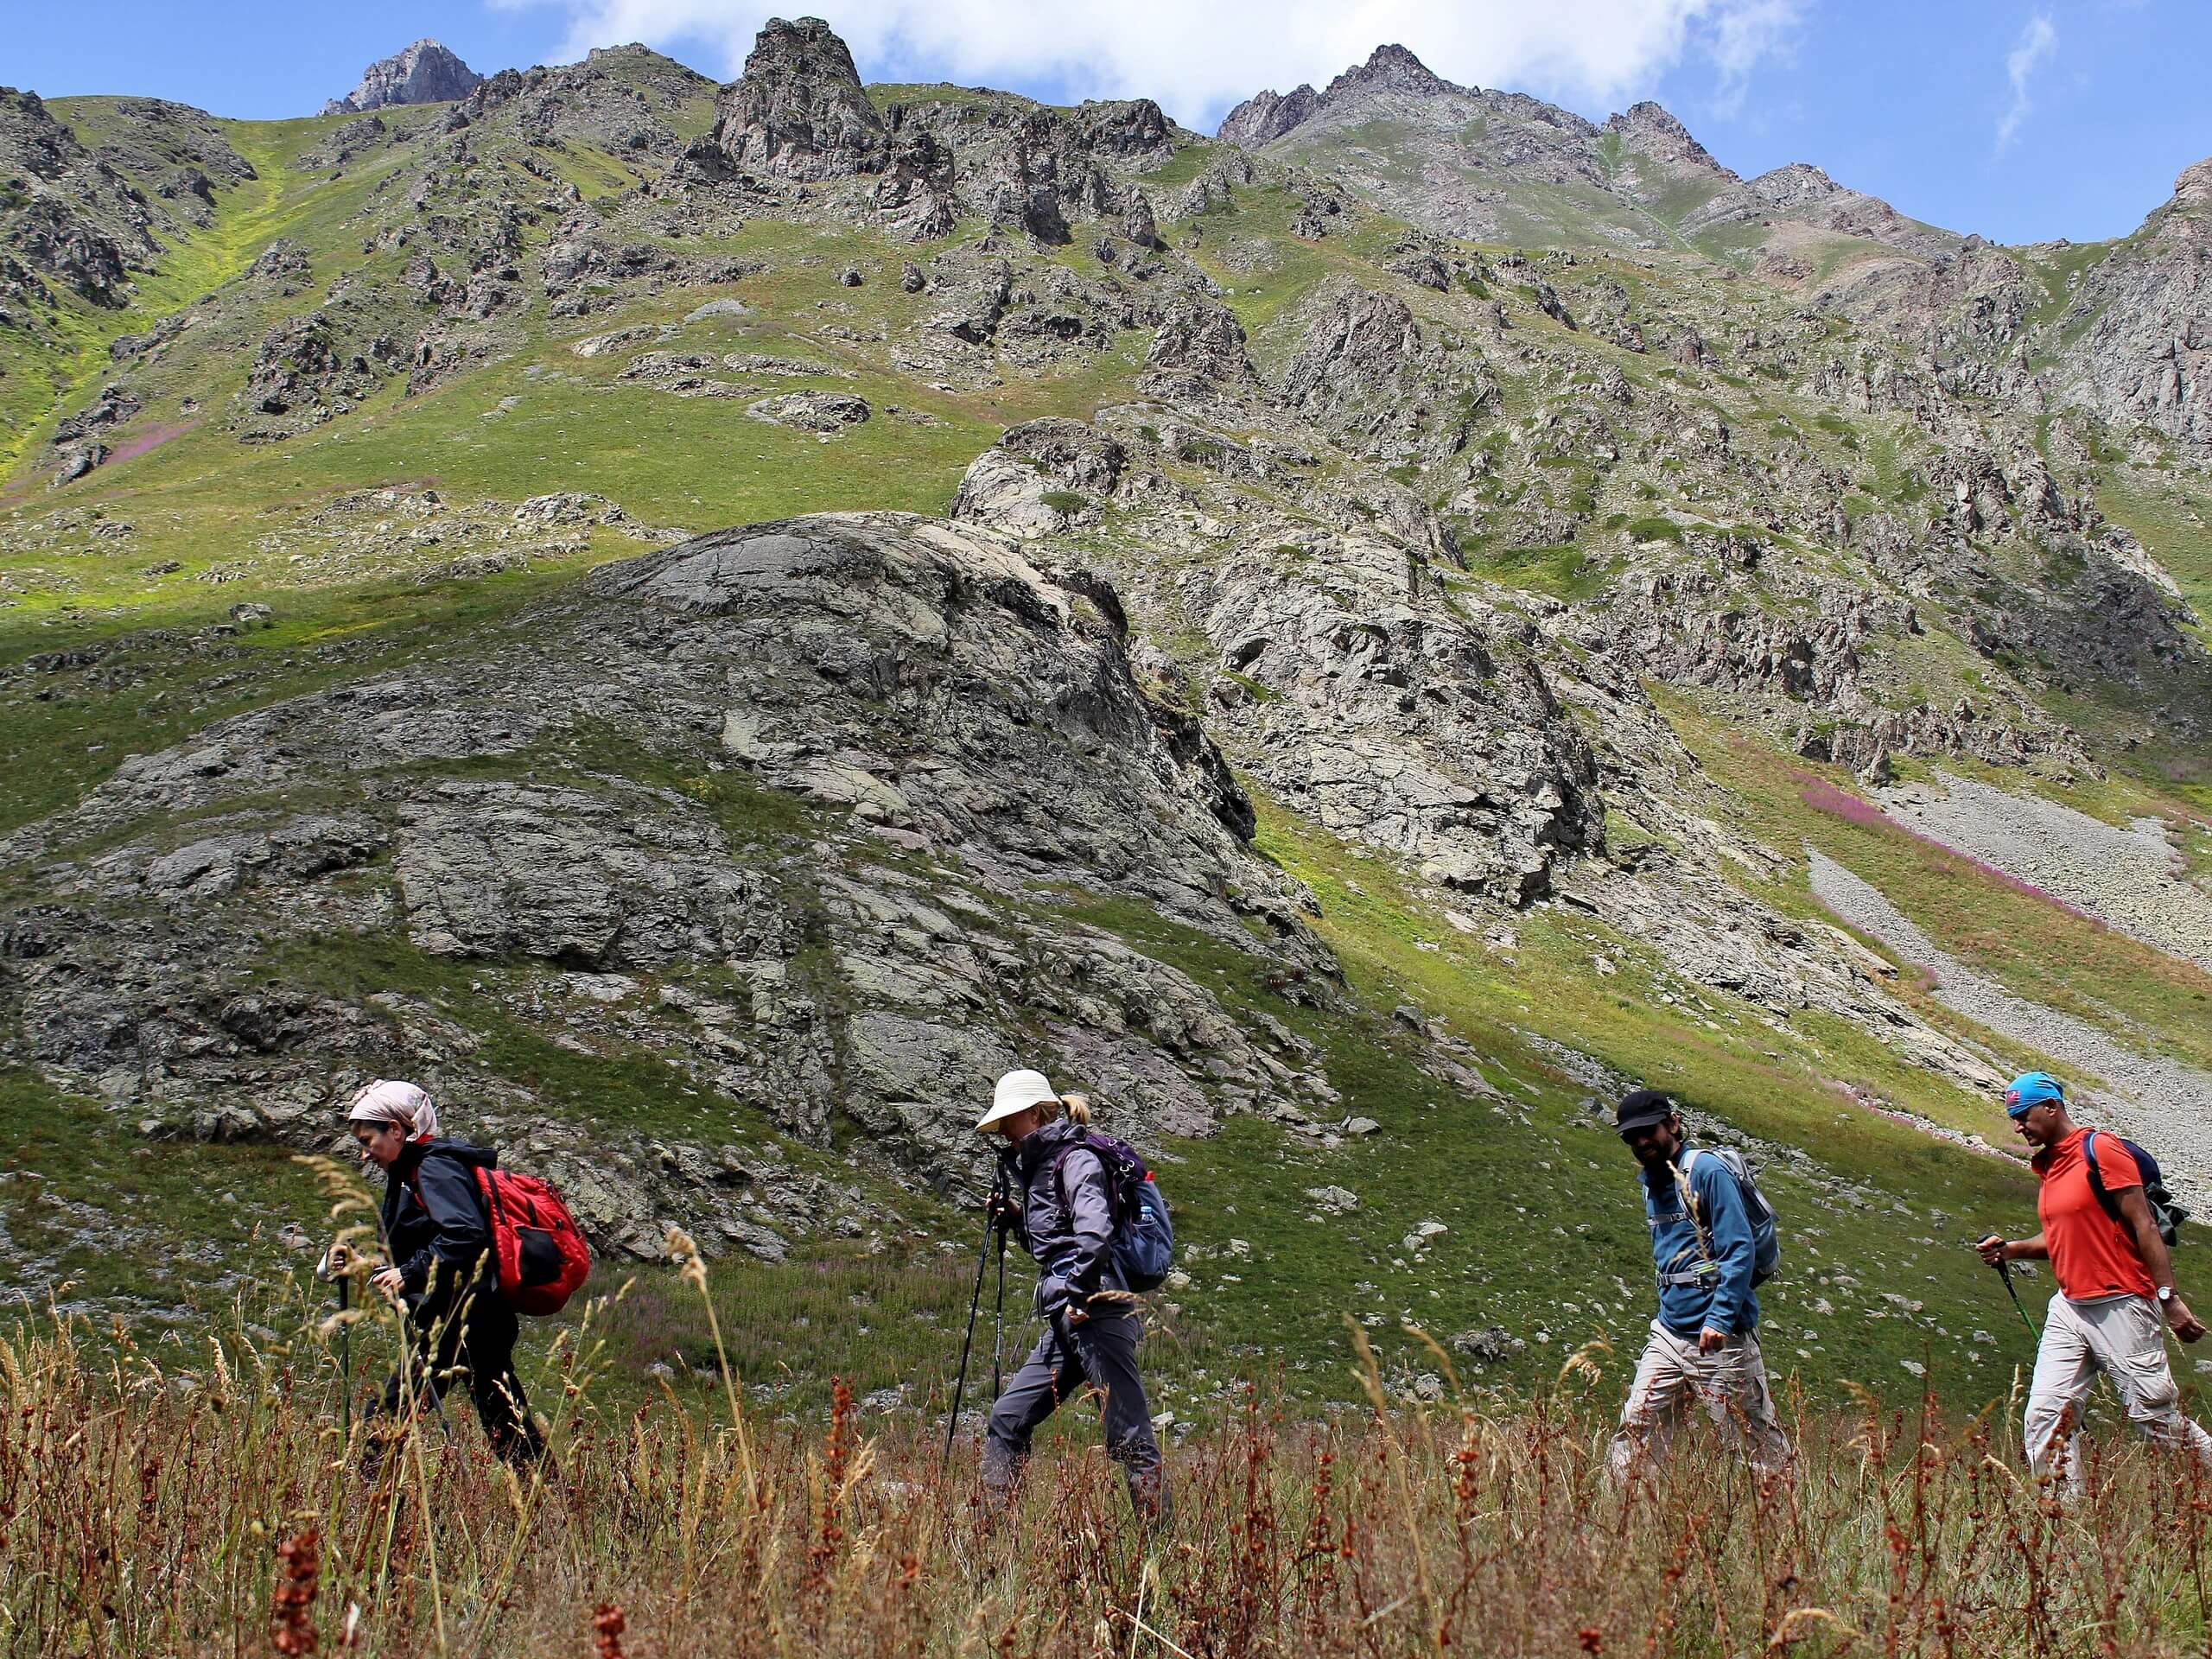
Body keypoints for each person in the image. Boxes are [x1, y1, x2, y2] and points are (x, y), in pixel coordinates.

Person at [1975, 1071, 2209, 1495]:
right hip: (2069, 1304)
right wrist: (2010, 1249)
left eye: (2023, 1115)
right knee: (2045, 1414)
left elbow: (2145, 1227)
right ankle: (2062, 1525)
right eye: (2012, 1117)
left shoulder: (2100, 1149)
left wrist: (2169, 1300)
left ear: (2051, 1106)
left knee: (2154, 1418)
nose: (2018, 1126)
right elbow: (2062, 1238)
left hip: (2121, 1301)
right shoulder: (2049, 1164)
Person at [976, 1068, 1168, 1522]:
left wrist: (1080, 1295)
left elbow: (1094, 1232)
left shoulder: (1075, 1159)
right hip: (1071, 1313)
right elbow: (1057, 1245)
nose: (1002, 1129)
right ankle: (989, 1543)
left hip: (1095, 1311)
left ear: (1030, 1114)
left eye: (1007, 1119)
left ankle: (1162, 1554)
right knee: (1008, 1418)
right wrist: (1017, 1219)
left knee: (1130, 1435)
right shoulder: (1041, 1168)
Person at [342, 1079, 543, 1468]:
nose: (366, 1154)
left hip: (463, 1317)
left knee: (394, 1411)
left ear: (397, 1130)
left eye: (369, 1141)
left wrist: (409, 1273)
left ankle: (366, 1497)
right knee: (503, 1415)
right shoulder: (413, 1172)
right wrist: (367, 1266)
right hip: (469, 1314)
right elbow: (432, 1245)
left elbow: (465, 1234)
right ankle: (551, 1501)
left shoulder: (432, 1168)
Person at [1606, 1088, 1793, 1484]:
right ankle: (1624, 1528)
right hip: (1669, 1335)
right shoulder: (1650, 1182)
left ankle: (1787, 1525)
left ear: (1672, 1124)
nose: (1641, 1142)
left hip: (1721, 1340)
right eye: (1630, 1137)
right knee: (1636, 1429)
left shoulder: (1706, 1171)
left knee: (1754, 1445)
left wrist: (1720, 1319)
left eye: (1647, 1131)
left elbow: (1738, 1249)